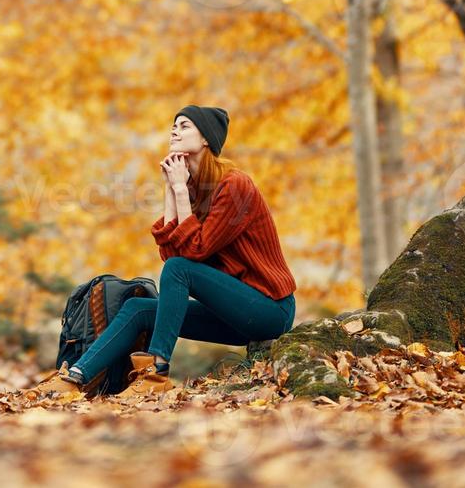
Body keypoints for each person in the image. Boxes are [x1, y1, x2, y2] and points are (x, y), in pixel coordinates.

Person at [28, 104, 297, 404]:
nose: (174, 130)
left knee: (180, 269)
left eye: (184, 126)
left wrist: (180, 192)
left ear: (206, 139)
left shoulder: (235, 186)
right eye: (173, 125)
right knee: (138, 309)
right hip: (232, 315)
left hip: (269, 310)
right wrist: (172, 191)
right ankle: (75, 377)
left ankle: (155, 373)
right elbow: (171, 256)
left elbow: (193, 253)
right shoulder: (194, 191)